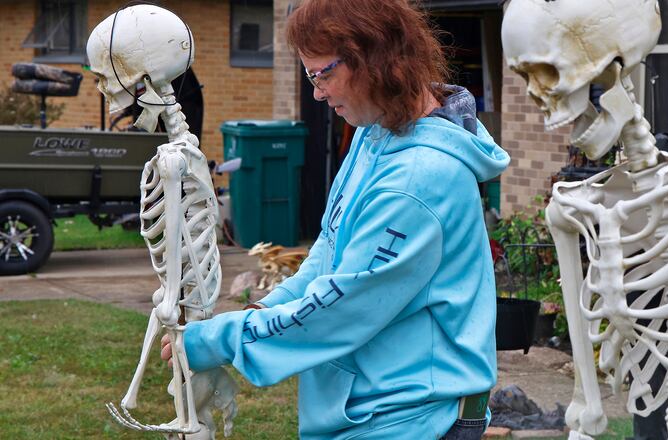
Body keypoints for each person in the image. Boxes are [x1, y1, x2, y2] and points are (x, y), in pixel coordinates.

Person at [161, 0, 509, 438]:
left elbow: (342, 307)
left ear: (373, 59)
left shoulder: (418, 180)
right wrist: (267, 306)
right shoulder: (376, 132)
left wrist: (216, 340)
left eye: (321, 75)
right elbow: (331, 245)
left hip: (411, 421)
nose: (317, 93)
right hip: (375, 413)